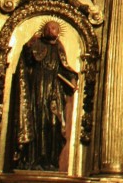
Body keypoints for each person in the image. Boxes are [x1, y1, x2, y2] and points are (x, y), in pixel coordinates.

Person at [13, 20, 78, 171]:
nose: (51, 30)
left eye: (54, 27)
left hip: (54, 89)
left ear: (58, 31)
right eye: (48, 28)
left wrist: (73, 79)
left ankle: (51, 160)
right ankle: (32, 159)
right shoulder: (36, 44)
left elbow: (65, 67)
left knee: (53, 122)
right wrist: (30, 43)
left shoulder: (59, 47)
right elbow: (27, 60)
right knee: (36, 121)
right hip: (37, 87)